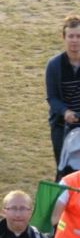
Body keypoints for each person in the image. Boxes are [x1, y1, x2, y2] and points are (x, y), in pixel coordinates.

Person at [46, 14, 80, 171]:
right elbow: (52, 98)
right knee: (64, 171)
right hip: (62, 126)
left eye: (78, 36)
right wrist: (65, 112)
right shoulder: (54, 65)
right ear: (64, 38)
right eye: (71, 36)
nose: (74, 40)